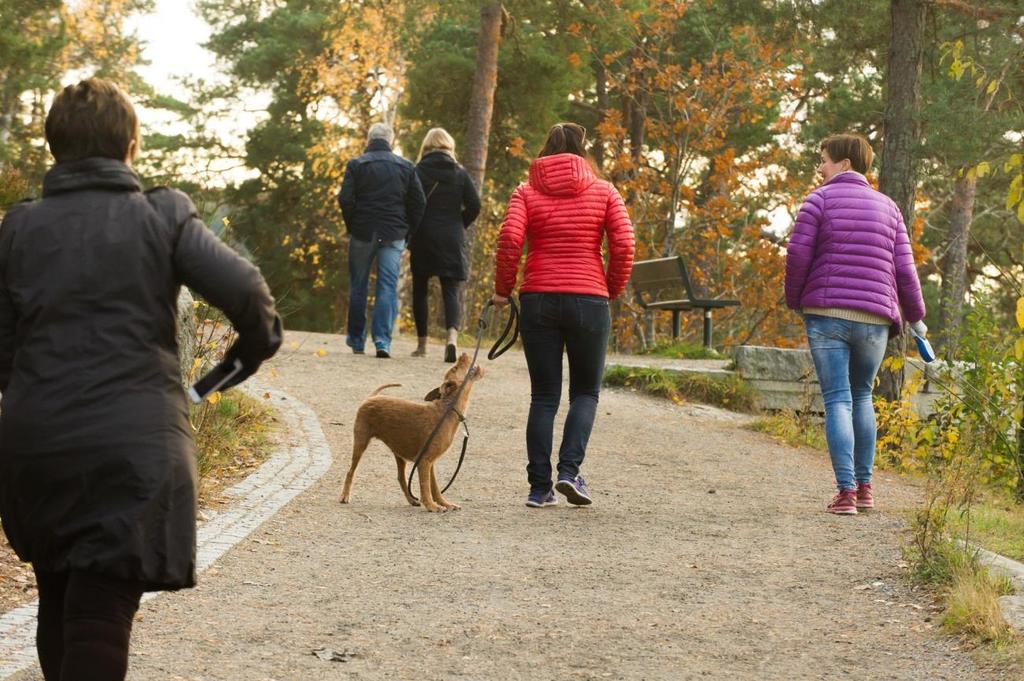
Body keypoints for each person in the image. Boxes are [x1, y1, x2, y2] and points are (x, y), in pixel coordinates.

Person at [0, 78, 282, 680]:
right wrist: (211, 384)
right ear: (132, 145)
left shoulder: (17, 229)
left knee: (59, 595)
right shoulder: (163, 217)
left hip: (37, 447)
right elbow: (255, 308)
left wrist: (28, 395)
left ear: (55, 147)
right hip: (133, 446)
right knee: (98, 614)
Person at [492, 122, 635, 508]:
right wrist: (610, 288)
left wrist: (502, 290)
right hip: (589, 297)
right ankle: (569, 473)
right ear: (582, 150)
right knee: (585, 393)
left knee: (543, 396)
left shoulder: (525, 191)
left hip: (538, 296)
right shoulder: (605, 190)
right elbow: (624, 244)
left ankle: (539, 488)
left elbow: (509, 240)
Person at [785, 133, 926, 516]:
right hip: (875, 320)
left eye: (824, 160)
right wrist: (916, 318)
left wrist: (795, 299)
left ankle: (845, 492)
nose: (819, 168)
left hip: (827, 315)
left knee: (837, 400)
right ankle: (865, 489)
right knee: (862, 396)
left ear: (845, 163)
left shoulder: (817, 201)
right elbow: (905, 271)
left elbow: (798, 256)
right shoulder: (890, 208)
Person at [338, 122, 426, 358]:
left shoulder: (356, 165)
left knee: (359, 284)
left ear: (369, 140)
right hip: (394, 232)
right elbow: (419, 203)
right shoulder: (406, 167)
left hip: (363, 231)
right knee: (387, 286)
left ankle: (357, 340)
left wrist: (352, 226)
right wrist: (408, 233)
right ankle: (382, 341)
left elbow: (345, 199)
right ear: (391, 140)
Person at [408, 127, 481, 362]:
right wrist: (460, 223)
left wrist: (410, 229)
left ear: (427, 147)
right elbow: (475, 204)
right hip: (451, 235)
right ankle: (451, 338)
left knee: (420, 288)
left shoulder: (417, 171)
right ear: (449, 146)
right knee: (450, 289)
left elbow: (409, 203)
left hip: (423, 235)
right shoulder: (459, 173)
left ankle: (422, 345)